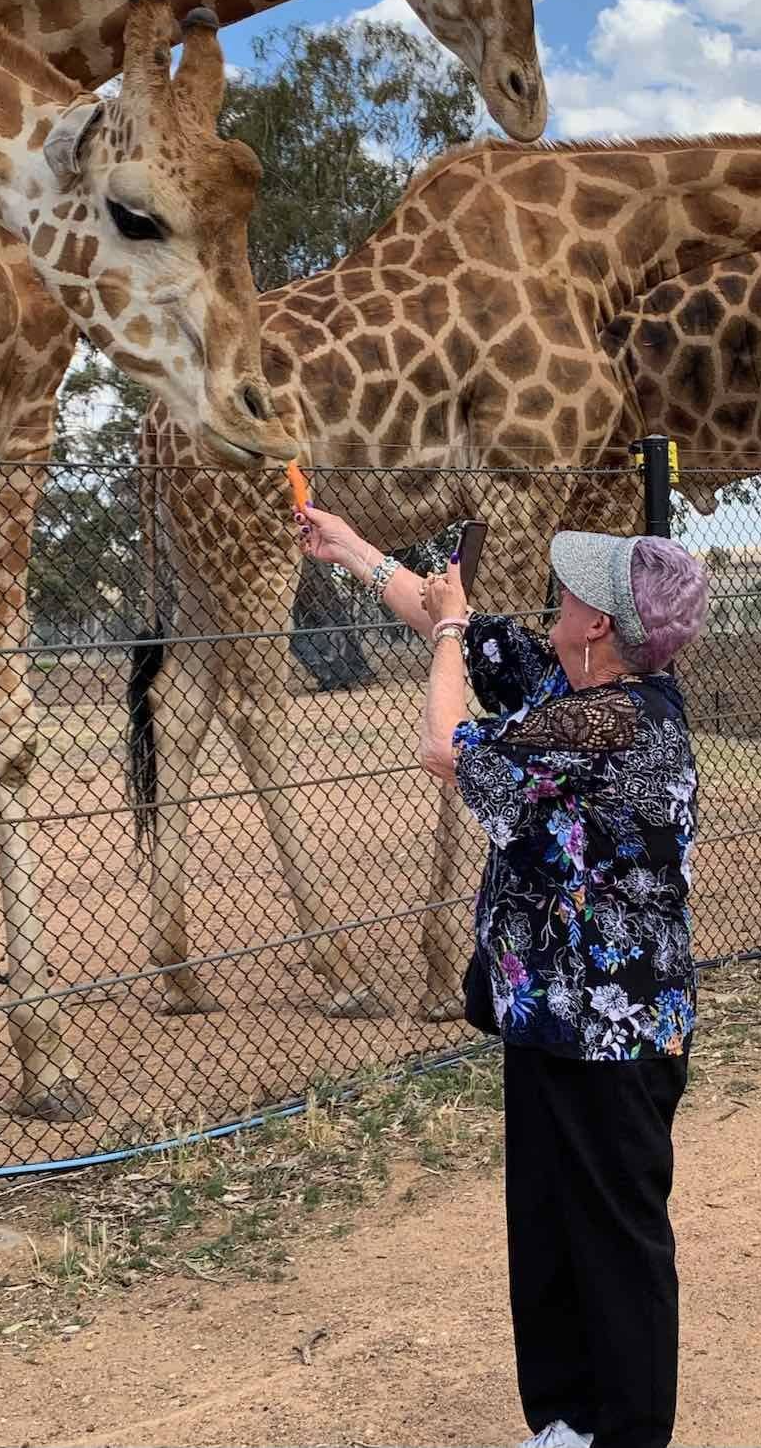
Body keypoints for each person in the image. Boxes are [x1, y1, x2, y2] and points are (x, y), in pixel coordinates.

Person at [296, 499, 709, 1448]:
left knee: (618, 1239)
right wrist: (354, 548)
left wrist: (446, 629)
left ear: (600, 624)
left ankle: (630, 1431)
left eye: (572, 592)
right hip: (553, 1017)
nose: (555, 598)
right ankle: (565, 1420)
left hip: (619, 1034)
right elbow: (462, 626)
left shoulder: (614, 726)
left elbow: (445, 741)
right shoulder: (575, 690)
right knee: (551, 1227)